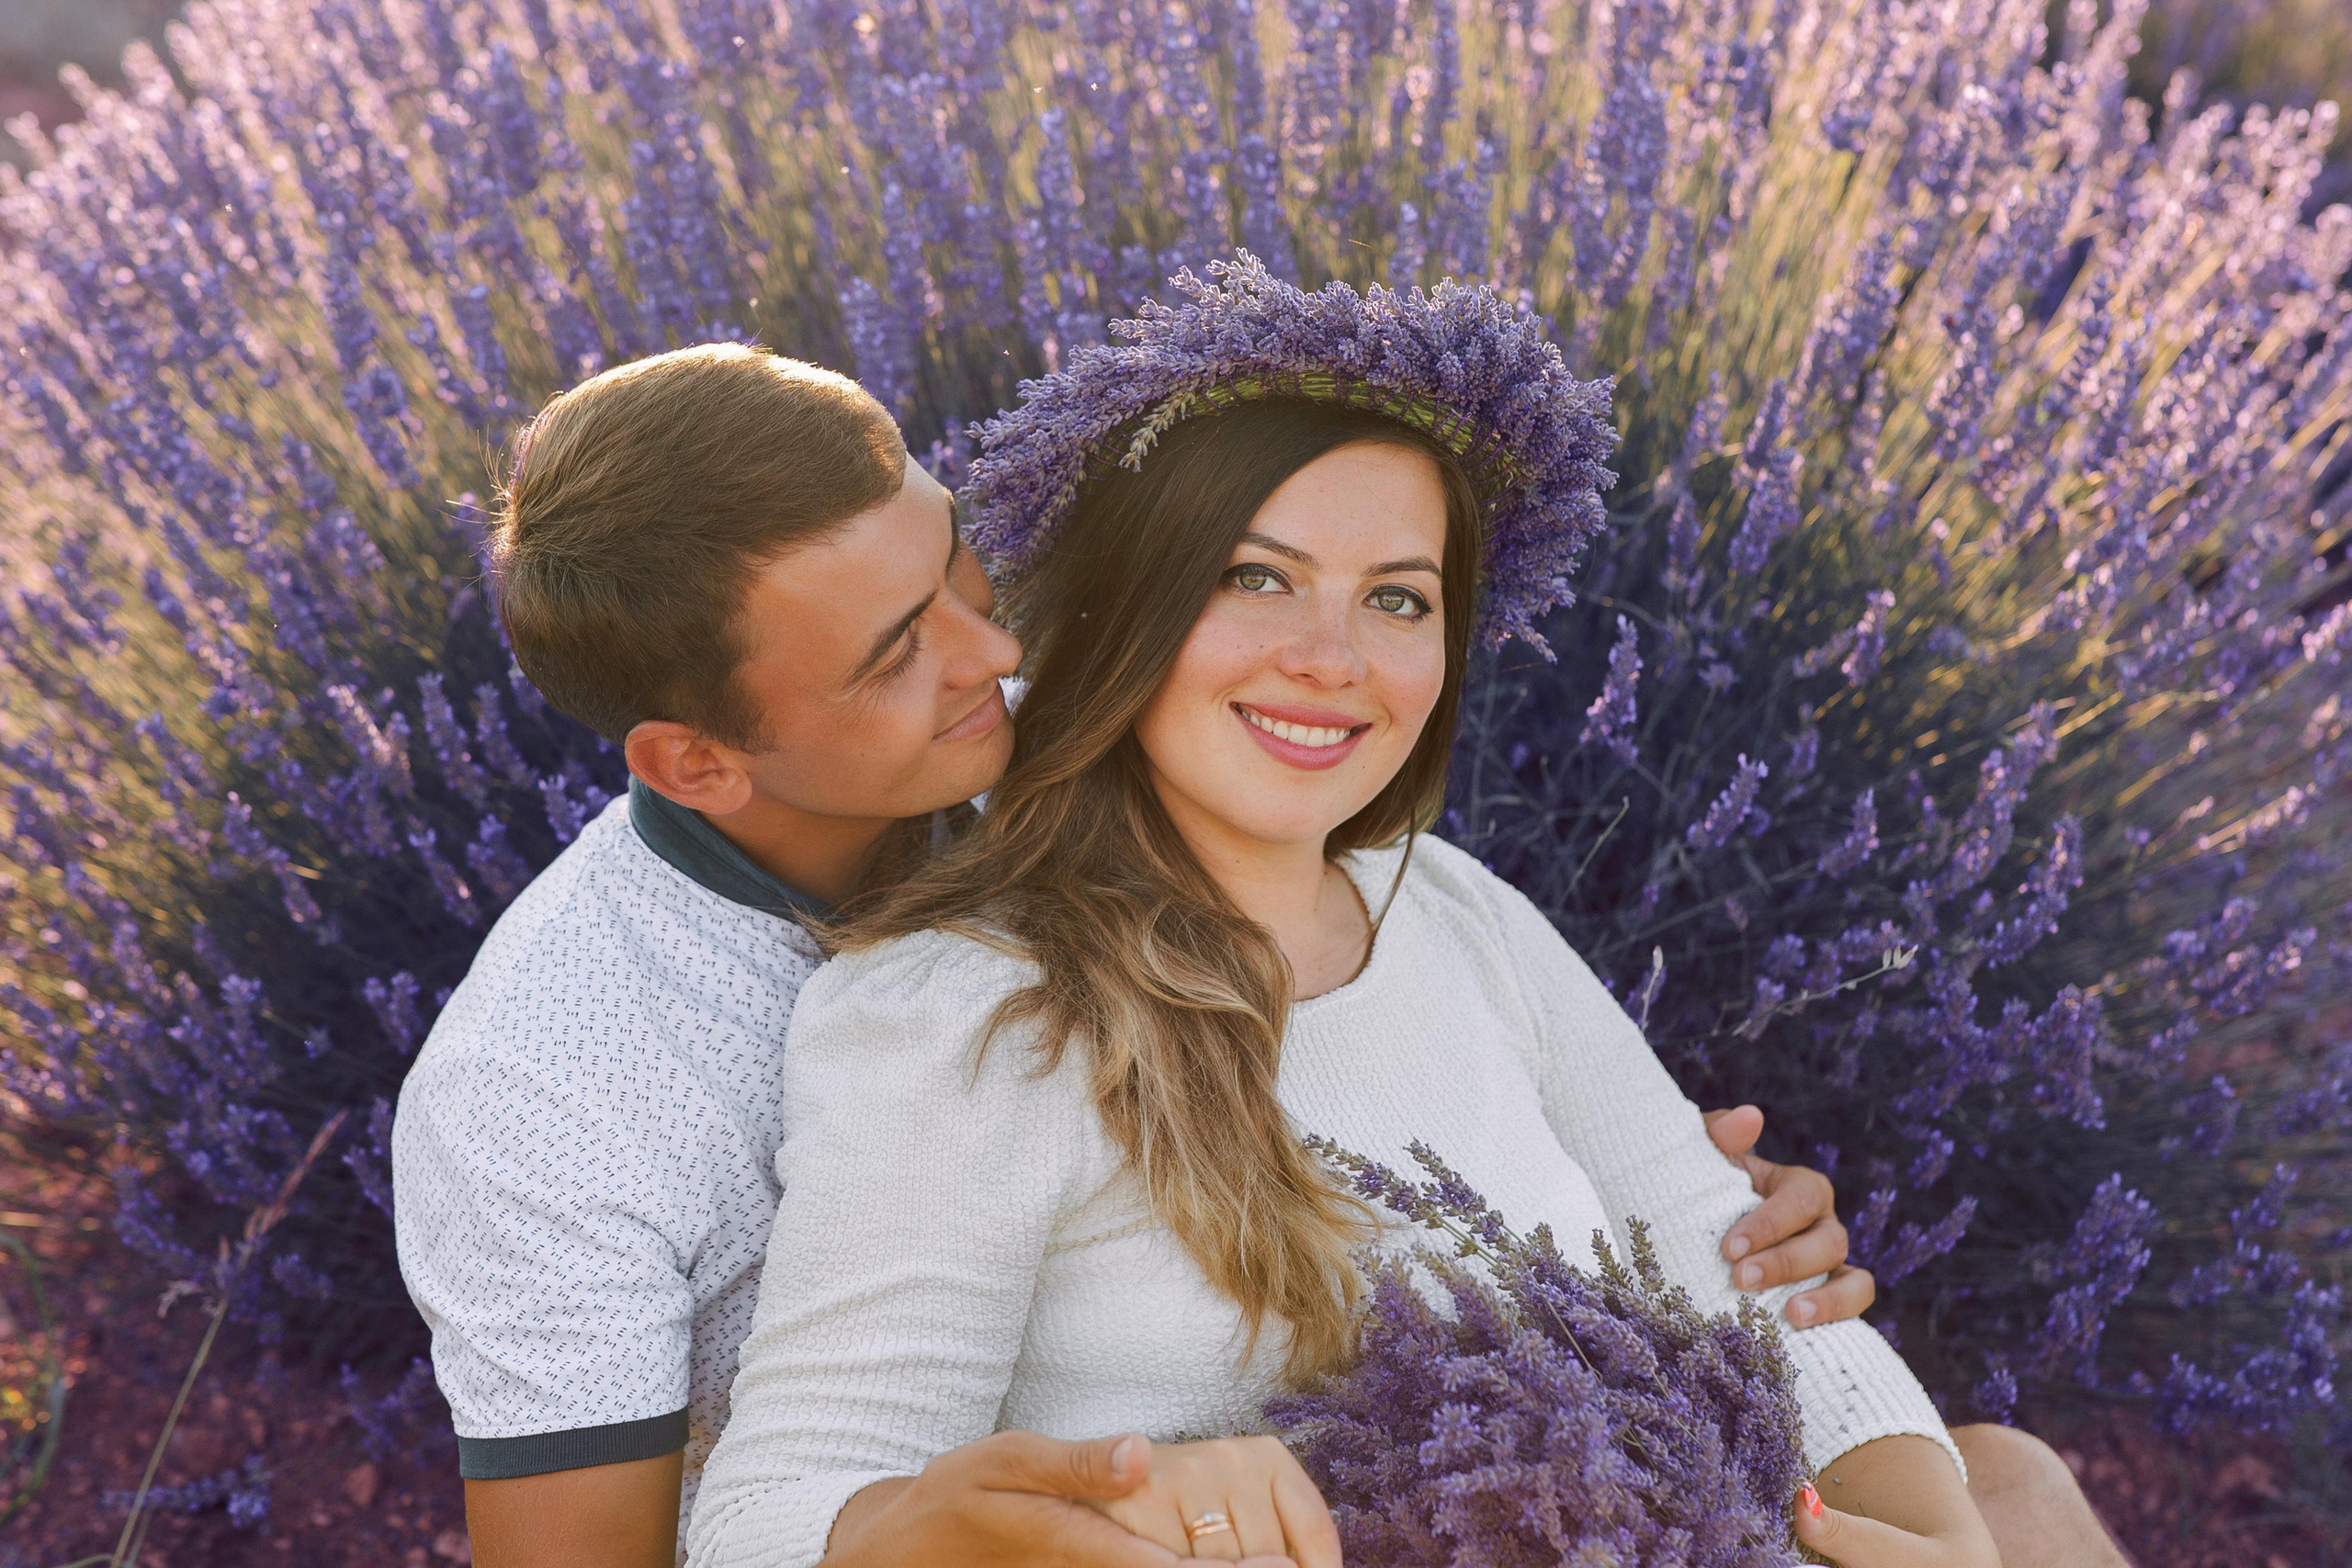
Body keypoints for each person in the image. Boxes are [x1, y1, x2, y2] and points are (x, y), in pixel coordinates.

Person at [685, 266, 2137, 1568]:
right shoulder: (966, 1017)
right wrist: (1106, 1505)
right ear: (1127, 610)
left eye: (1397, 598)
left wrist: (1929, 1535)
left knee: (2008, 1489)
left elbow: (1740, 1275)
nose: (1332, 661)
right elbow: (771, 1524)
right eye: (1256, 579)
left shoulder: (1444, 905)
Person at [390, 341, 1872, 1568]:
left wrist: (1667, 1219)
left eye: (962, 568)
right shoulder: (545, 1091)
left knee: (2002, 1486)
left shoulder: (1083, 726)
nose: (992, 657)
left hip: (1411, 1460)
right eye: (897, 652)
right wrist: (918, 1532)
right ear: (699, 763)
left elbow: (1399, 983)